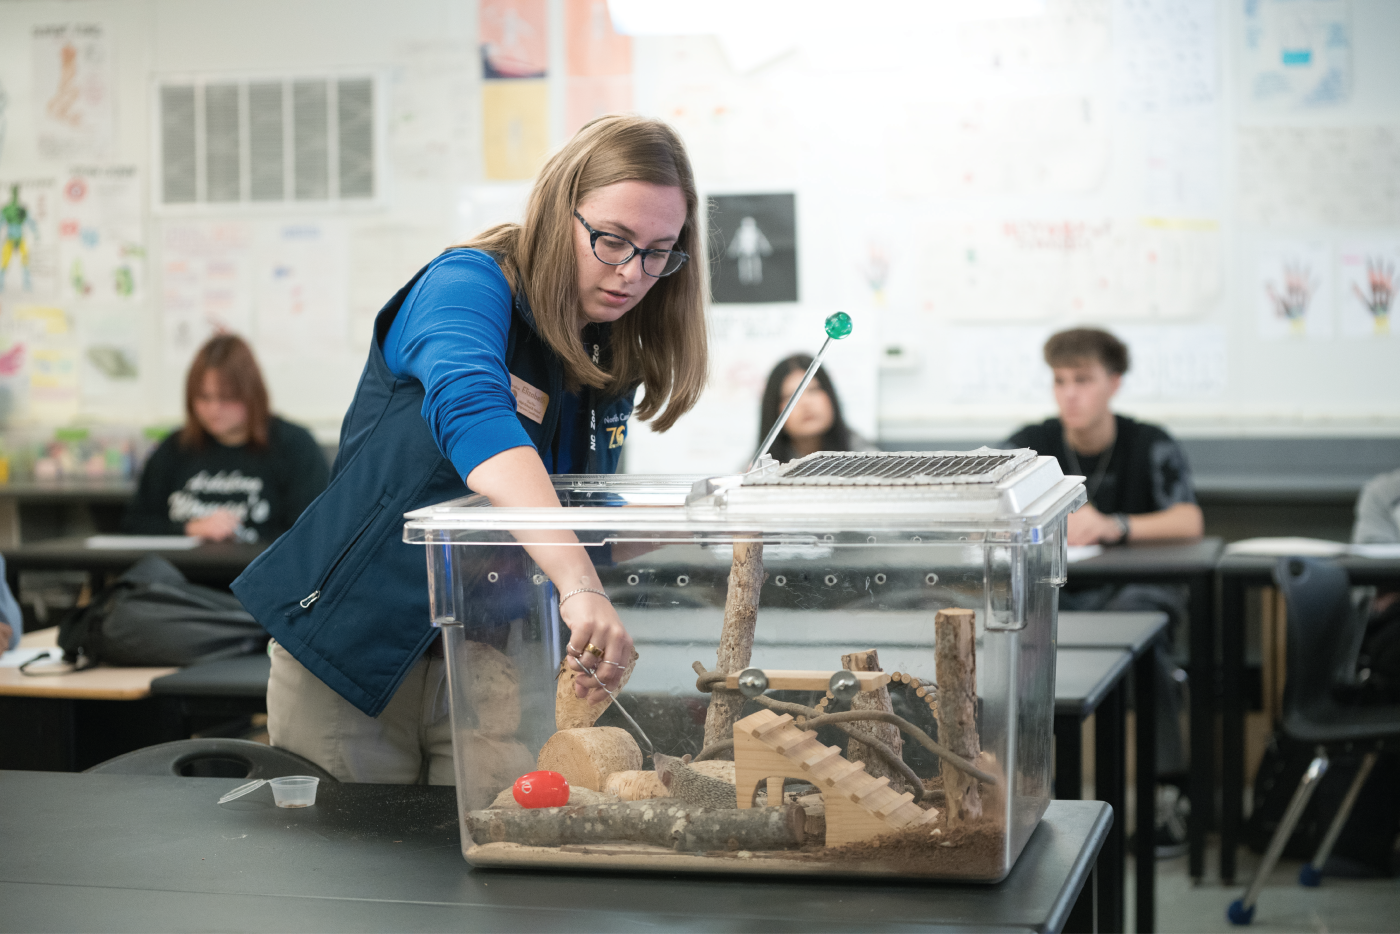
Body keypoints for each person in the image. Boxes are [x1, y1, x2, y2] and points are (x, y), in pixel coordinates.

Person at [231, 115, 707, 785]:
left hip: (494, 664)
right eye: (612, 240)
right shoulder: (468, 284)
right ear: (555, 210)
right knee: (348, 876)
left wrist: (713, 519)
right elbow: (474, 416)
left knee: (500, 870)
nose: (633, 273)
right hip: (355, 648)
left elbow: (562, 511)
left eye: (660, 252)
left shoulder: (607, 342)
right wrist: (580, 586)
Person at [1006, 326, 1203, 854]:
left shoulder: (1148, 442)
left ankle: (1167, 797)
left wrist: (1118, 525)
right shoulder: (1032, 445)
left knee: (1143, 639)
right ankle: (1015, 797)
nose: (1070, 393)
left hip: (1134, 590)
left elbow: (1188, 519)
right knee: (1008, 632)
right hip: (1060, 591)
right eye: (1060, 381)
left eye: (1084, 380)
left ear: (1113, 383)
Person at [124, 335, 329, 544]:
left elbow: (312, 534)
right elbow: (135, 525)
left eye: (227, 398)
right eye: (204, 397)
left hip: (261, 573)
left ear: (251, 394)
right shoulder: (174, 449)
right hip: (180, 573)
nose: (214, 409)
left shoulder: (294, 447)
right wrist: (190, 528)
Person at [756, 354, 872, 464]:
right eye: (791, 396)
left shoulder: (866, 457)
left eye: (813, 390)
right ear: (773, 409)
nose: (805, 403)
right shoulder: (755, 470)